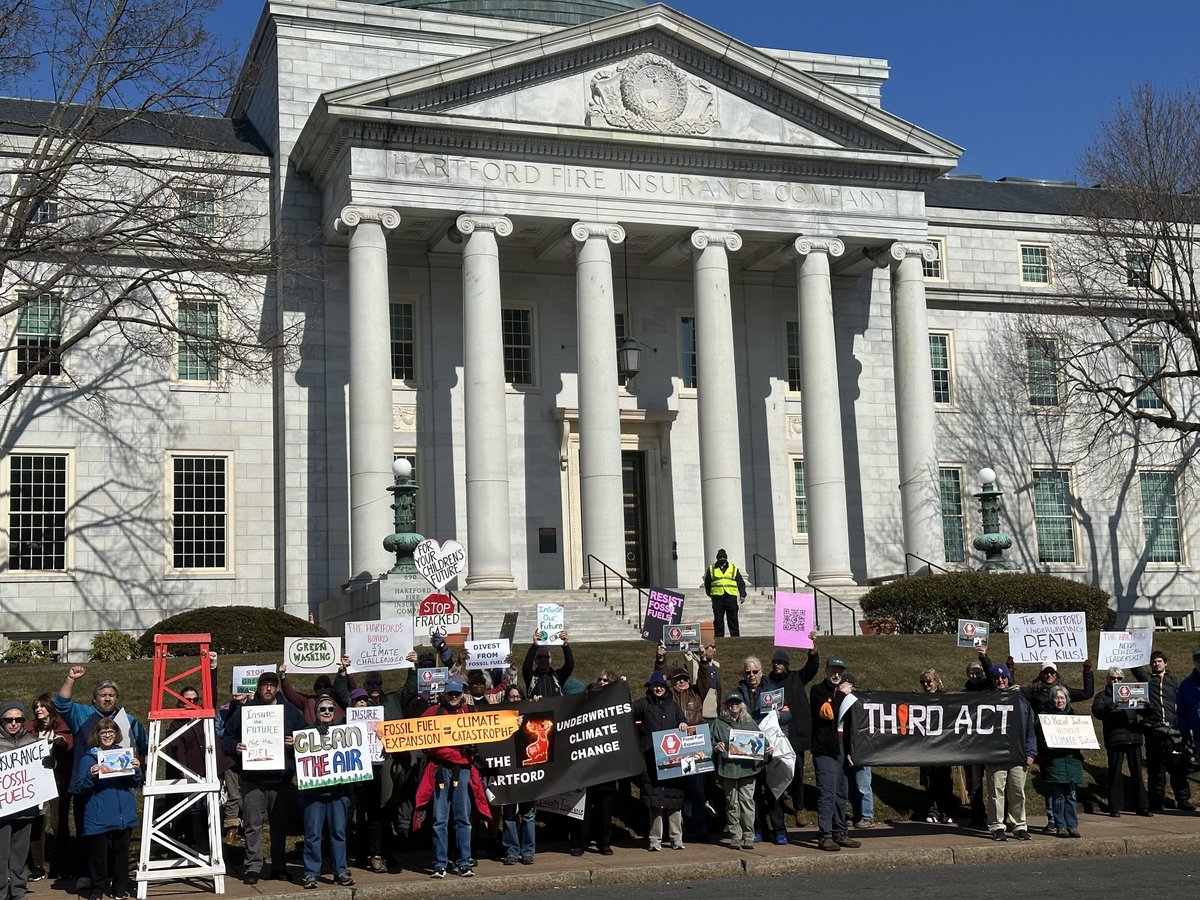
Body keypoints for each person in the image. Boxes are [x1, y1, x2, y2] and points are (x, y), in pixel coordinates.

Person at [54, 666, 147, 890]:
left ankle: (117, 877)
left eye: (111, 695)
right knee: (89, 834)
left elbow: (145, 746)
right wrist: (70, 679)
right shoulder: (83, 714)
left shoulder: (129, 720)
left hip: (118, 787)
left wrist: (138, 768)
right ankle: (87, 874)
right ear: (94, 698)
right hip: (88, 787)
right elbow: (61, 704)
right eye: (103, 695)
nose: (107, 698)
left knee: (117, 836)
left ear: (116, 699)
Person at [221, 670, 307, 885]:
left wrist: (295, 741)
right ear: (258, 688)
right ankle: (252, 867)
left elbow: (306, 734)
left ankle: (279, 866)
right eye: (264, 685)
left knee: (279, 826)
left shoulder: (289, 710)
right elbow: (227, 737)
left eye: (272, 685)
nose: (268, 688)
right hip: (253, 780)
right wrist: (235, 747)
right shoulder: (245, 711)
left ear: (277, 688)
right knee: (252, 825)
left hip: (281, 779)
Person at [415, 678, 490, 878]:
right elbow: (412, 731)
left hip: (462, 770)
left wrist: (513, 723)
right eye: (451, 694)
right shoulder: (433, 712)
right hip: (440, 770)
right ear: (444, 695)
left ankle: (464, 862)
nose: (454, 697)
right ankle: (440, 862)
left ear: (463, 694)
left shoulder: (470, 712)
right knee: (440, 818)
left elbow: (494, 726)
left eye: (457, 694)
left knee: (462, 817)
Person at [74, 717, 142, 900]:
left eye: (110, 732)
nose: (107, 735)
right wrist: (91, 775)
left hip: (123, 813)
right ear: (97, 735)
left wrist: (136, 769)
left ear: (116, 734)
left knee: (121, 854)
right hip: (99, 814)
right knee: (99, 856)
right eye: (103, 732)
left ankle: (120, 889)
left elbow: (134, 782)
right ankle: (98, 889)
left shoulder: (123, 754)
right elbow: (80, 787)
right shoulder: (89, 758)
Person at [653, 642, 712, 841]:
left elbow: (704, 679)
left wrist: (703, 660)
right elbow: (659, 679)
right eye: (678, 679)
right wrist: (660, 658)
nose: (682, 682)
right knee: (675, 792)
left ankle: (700, 828)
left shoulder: (696, 693)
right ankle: (676, 832)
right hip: (674, 750)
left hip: (696, 749)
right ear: (672, 682)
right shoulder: (668, 697)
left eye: (685, 678)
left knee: (698, 791)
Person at [298, 697, 355, 889]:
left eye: (331, 708)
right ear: (316, 712)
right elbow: (297, 756)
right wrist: (291, 748)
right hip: (313, 793)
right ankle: (311, 873)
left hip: (338, 792)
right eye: (322, 709)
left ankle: (340, 870)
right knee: (312, 834)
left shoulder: (345, 732)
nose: (327, 712)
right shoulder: (306, 733)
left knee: (338, 832)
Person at [1132, 650, 1194, 812]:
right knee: (1155, 770)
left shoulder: (1175, 681)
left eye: (1159, 661)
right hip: (1154, 731)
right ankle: (1156, 801)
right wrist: (1131, 650)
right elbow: (1135, 669)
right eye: (1153, 661)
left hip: (1175, 732)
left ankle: (1182, 800)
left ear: (1165, 663)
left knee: (1178, 769)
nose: (1156, 664)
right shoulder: (1147, 680)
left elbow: (1187, 698)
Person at [631, 672, 687, 851]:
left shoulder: (674, 706)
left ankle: (676, 837)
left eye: (661, 686)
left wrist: (683, 725)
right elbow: (627, 710)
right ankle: (654, 838)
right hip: (651, 758)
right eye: (655, 686)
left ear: (666, 688)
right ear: (650, 687)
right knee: (654, 801)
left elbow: (682, 722)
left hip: (672, 760)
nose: (658, 689)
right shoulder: (644, 704)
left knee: (674, 800)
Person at [765, 644, 819, 828]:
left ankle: (799, 808)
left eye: (780, 662)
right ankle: (775, 808)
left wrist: (812, 651)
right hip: (776, 737)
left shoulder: (796, 677)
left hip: (795, 736)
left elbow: (811, 668)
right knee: (775, 775)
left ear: (786, 665)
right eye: (775, 662)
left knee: (797, 775)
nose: (777, 665)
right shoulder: (767, 683)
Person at [809, 656, 860, 852]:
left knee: (841, 793)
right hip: (824, 749)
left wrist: (849, 750)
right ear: (826, 672)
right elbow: (827, 713)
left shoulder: (845, 696)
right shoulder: (817, 691)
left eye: (839, 671)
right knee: (827, 793)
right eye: (833, 671)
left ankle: (840, 832)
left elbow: (849, 726)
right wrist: (840, 695)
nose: (836, 674)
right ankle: (825, 834)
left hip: (841, 749)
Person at [983, 664, 1036, 841]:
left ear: (1008, 678)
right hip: (995, 754)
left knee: (1018, 793)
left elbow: (1030, 728)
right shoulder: (986, 700)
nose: (1000, 680)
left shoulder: (1021, 700)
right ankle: (997, 826)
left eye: (1003, 677)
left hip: (1018, 754)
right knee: (996, 793)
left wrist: (1030, 752)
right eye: (996, 678)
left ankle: (1019, 825)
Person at [711, 693, 769, 850]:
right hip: (728, 769)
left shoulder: (749, 722)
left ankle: (749, 835)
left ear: (741, 705)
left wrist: (767, 749)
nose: (733, 705)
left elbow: (763, 742)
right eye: (730, 703)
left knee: (747, 802)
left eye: (737, 703)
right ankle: (735, 836)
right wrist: (716, 747)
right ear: (726, 706)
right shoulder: (719, 723)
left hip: (747, 770)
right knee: (731, 802)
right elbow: (711, 742)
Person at [1, 700, 47, 900]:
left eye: (18, 719)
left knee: (20, 853)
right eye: (8, 719)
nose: (13, 723)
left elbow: (42, 775)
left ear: (23, 721)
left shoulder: (33, 742)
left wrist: (48, 763)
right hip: (2, 810)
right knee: (1, 855)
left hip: (25, 807)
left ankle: (19, 891)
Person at [1091, 667, 1151, 817]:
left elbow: (1146, 712)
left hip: (1133, 736)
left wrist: (1146, 704)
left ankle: (1142, 806)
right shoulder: (1102, 696)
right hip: (1115, 738)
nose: (1116, 681)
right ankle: (1115, 807)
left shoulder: (1132, 692)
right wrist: (1108, 707)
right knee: (1115, 772)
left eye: (1119, 678)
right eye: (1112, 678)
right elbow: (1097, 712)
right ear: (1107, 679)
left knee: (1137, 772)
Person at [24, 693, 72, 881]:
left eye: (42, 706)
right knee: (38, 822)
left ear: (51, 708)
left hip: (60, 782)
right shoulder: (30, 730)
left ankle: (63, 865)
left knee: (59, 823)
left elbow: (70, 748)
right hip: (37, 784)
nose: (38, 710)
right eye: (36, 707)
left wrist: (60, 745)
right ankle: (38, 866)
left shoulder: (65, 728)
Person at [1035, 685, 1084, 838]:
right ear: (1052, 700)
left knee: (1071, 796)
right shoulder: (1043, 717)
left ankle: (1072, 826)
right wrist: (1046, 746)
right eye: (1056, 698)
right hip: (1055, 762)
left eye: (1062, 698)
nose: (1059, 700)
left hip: (1072, 761)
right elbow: (1038, 739)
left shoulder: (1074, 717)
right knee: (1058, 797)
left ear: (1067, 700)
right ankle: (1060, 825)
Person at [917, 668, 957, 824]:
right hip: (925, 746)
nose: (926, 685)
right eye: (923, 682)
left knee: (945, 780)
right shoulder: (918, 699)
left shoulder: (945, 698)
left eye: (929, 681)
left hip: (943, 745)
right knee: (929, 780)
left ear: (936, 681)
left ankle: (946, 811)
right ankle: (932, 811)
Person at [841, 674, 874, 829]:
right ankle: (857, 815)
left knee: (863, 785)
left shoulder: (860, 703)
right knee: (851, 787)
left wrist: (857, 751)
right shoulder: (840, 703)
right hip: (846, 749)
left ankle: (868, 816)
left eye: (845, 684)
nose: (841, 686)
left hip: (861, 750)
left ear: (852, 687)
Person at [704, 549, 747, 638]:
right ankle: (719, 638)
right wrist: (711, 594)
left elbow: (740, 582)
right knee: (718, 620)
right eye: (720, 558)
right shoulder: (711, 569)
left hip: (730, 597)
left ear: (726, 558)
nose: (722, 559)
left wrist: (742, 594)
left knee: (733, 620)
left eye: (723, 557)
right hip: (717, 598)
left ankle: (735, 638)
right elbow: (707, 583)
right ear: (717, 558)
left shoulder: (733, 568)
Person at [522, 631, 574, 699]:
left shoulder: (557, 676)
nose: (543, 659)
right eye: (539, 657)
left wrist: (565, 645)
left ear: (550, 659)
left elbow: (569, 666)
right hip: (537, 709)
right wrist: (534, 646)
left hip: (556, 708)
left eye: (546, 657)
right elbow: (526, 667)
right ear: (535, 660)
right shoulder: (531, 677)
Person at [1177, 648, 1200, 767]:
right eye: (1198, 659)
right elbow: (1182, 712)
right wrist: (1185, 734)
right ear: (1194, 661)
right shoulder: (1186, 685)